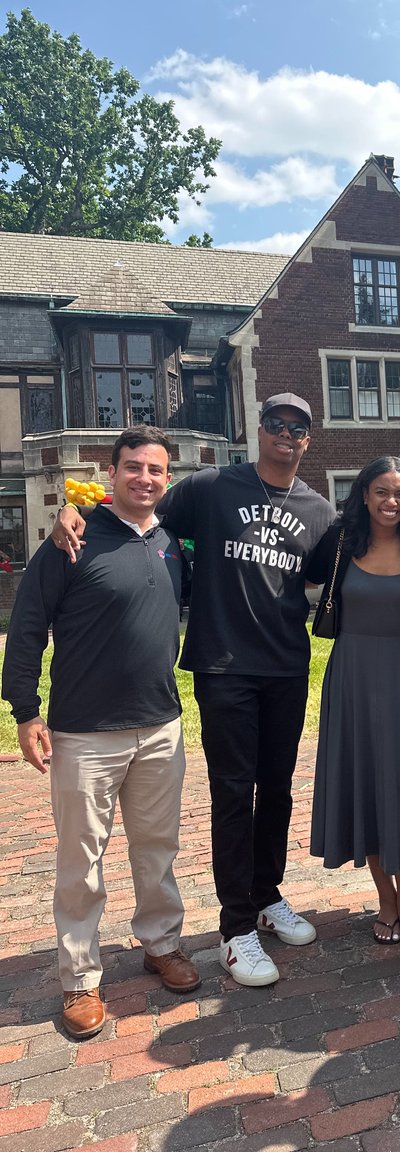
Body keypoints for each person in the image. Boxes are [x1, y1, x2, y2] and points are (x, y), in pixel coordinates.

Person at [52, 394, 336, 988]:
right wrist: (76, 509)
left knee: (278, 790)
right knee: (234, 793)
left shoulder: (317, 510)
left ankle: (267, 894)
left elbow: (318, 575)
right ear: (259, 431)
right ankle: (235, 931)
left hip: (286, 667)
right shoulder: (209, 487)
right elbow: (138, 511)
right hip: (223, 666)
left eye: (298, 429)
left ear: (309, 440)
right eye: (276, 425)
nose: (287, 435)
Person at [2, 426, 200, 1039]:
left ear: (168, 480)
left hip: (161, 725)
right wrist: (25, 711)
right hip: (85, 732)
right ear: (110, 473)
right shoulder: (71, 541)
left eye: (157, 470)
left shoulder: (173, 544)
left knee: (157, 849)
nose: (145, 478)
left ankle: (161, 944)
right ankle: (80, 979)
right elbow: (28, 625)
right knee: (80, 859)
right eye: (134, 467)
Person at [306, 457, 400, 946]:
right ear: (364, 494)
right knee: (363, 781)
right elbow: (284, 568)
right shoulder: (340, 541)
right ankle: (384, 897)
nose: (392, 502)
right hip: (350, 676)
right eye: (382, 492)